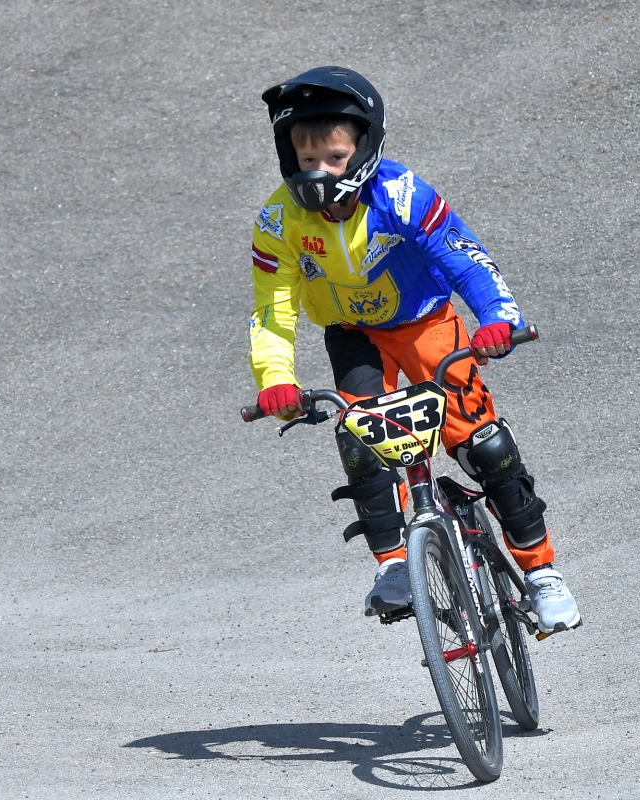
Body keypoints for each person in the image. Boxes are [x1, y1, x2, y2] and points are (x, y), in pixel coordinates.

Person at [248, 66, 581, 634]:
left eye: (335, 158)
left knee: (485, 445)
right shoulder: (278, 221)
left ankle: (542, 572)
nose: (320, 172)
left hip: (427, 323)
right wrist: (275, 380)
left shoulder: (401, 193)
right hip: (353, 336)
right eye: (307, 159)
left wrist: (498, 319)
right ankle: (395, 565)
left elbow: (464, 257)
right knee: (361, 441)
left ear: (365, 149)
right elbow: (272, 310)